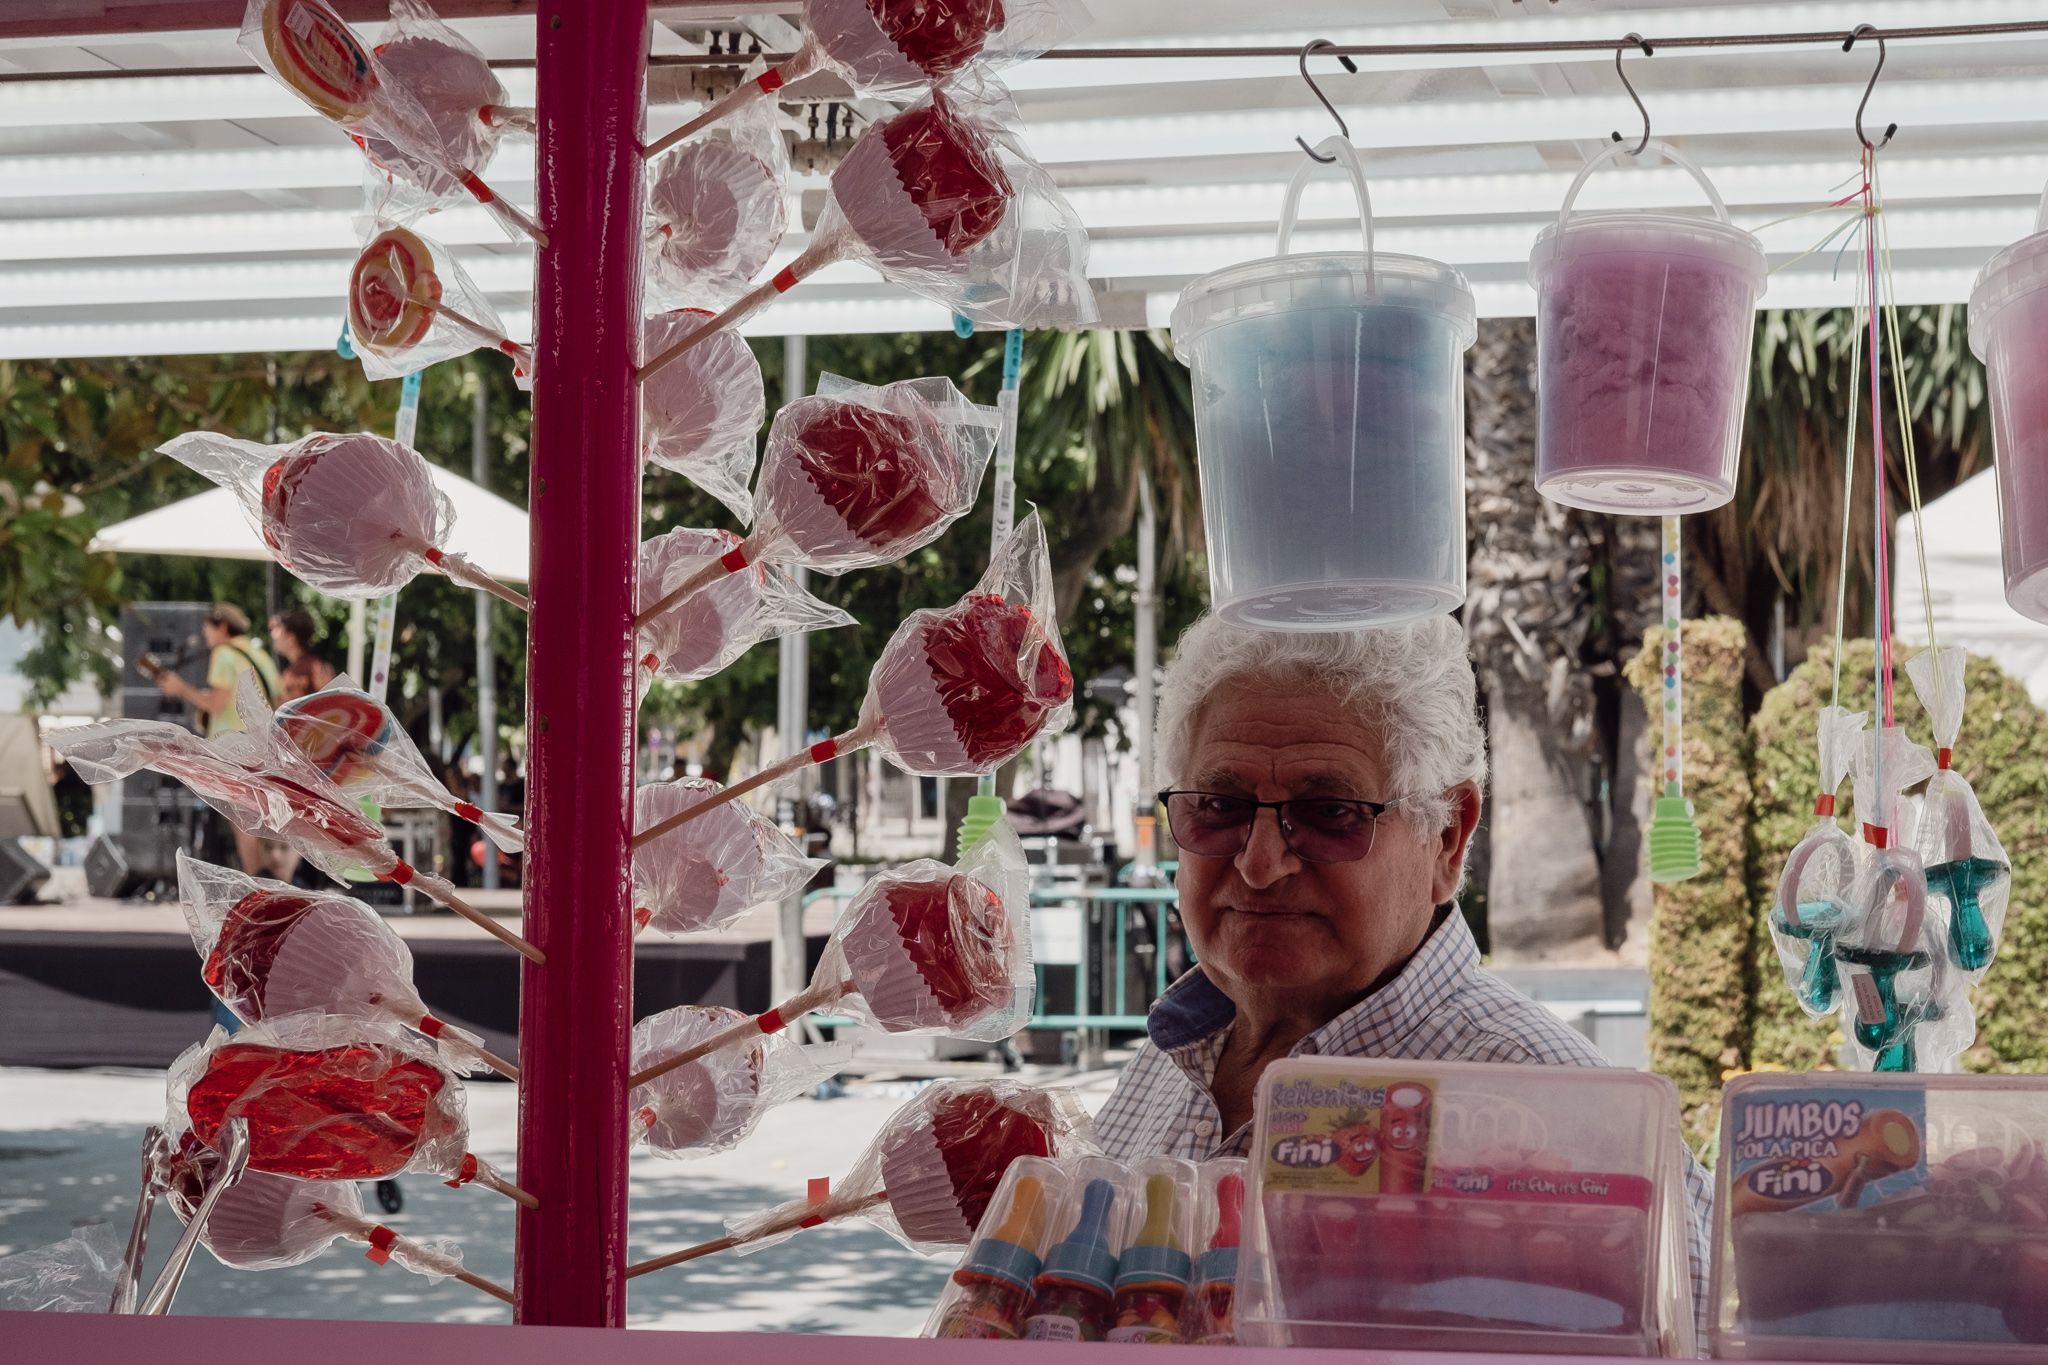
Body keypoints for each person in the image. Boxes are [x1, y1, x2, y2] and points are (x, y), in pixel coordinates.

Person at [1092, 613, 1713, 1341]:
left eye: (1328, 813)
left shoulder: (1555, 1109)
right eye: (1218, 807)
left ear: (1448, 837)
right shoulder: (1172, 1059)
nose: (1260, 862)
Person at [151, 602, 283, 876]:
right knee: (263, 823)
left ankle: (261, 888)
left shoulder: (224, 654)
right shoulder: (259, 654)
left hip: (234, 748)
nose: (206, 637)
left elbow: (215, 704)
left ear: (222, 627)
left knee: (243, 821)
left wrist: (181, 688)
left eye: (208, 630)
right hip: (265, 746)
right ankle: (278, 882)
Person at [269, 606, 336, 701]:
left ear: (291, 637)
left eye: (278, 628)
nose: (273, 635)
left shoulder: (306, 670)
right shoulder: (310, 665)